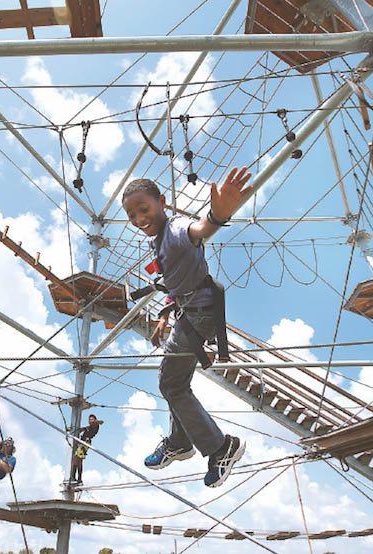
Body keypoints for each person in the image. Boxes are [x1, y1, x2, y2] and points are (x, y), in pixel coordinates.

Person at [121, 167, 251, 488]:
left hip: (199, 314)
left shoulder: (176, 228)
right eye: (132, 214)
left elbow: (198, 230)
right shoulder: (158, 240)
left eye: (144, 209)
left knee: (173, 385)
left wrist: (216, 217)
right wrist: (166, 312)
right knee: (172, 381)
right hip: (188, 311)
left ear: (162, 202)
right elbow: (178, 281)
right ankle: (180, 440)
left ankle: (221, 447)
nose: (139, 218)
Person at [71, 413, 103, 486]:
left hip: (85, 443)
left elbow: (99, 422)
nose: (90, 421)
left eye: (92, 419)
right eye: (89, 419)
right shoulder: (88, 427)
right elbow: (82, 429)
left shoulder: (95, 426)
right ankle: (75, 478)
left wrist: (96, 422)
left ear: (95, 420)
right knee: (77, 460)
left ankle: (78, 479)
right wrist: (73, 429)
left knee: (78, 460)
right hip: (82, 442)